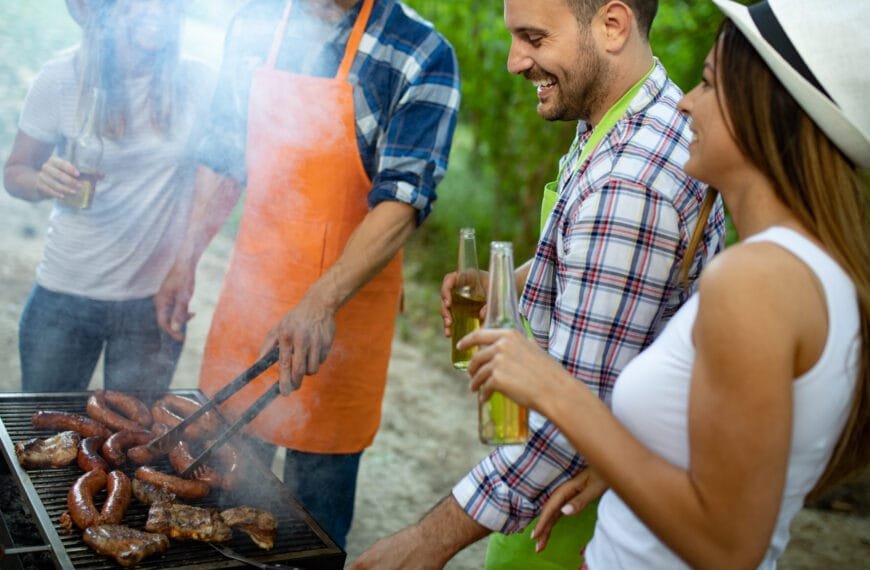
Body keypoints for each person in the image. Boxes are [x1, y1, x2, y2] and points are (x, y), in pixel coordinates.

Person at [458, 0, 870, 567]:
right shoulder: (806, 269)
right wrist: (616, 469)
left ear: (766, 112)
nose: (684, 103)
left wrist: (552, 390)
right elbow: (709, 457)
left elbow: (729, 548)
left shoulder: (755, 282)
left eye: (706, 84)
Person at [352, 0, 725, 568]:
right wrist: (509, 282)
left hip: (574, 525)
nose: (513, 61)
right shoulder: (619, 120)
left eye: (533, 37)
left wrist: (427, 542)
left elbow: (571, 426)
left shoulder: (629, 185)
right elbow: (590, 266)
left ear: (612, 25)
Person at [153, 0, 460, 548]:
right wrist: (183, 259)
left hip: (344, 318)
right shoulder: (254, 21)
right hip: (253, 300)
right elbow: (223, 156)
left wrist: (320, 302)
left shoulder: (421, 52)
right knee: (217, 499)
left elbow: (404, 200)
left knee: (306, 526)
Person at [2, 0, 213, 394]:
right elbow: (15, 174)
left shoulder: (198, 81)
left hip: (152, 303)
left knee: (137, 442)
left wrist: (186, 265)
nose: (158, 10)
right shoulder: (61, 77)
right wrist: (41, 180)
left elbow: (219, 179)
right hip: (64, 295)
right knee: (44, 436)